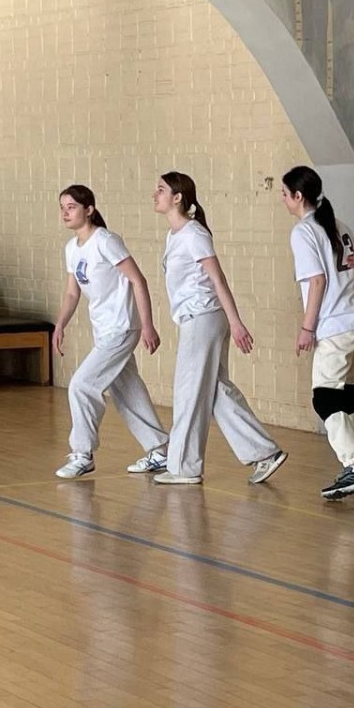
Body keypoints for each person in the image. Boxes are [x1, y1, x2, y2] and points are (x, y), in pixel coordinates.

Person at [153, 171, 288, 485]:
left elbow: (218, 279)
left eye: (161, 189)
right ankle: (264, 452)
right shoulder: (174, 235)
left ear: (177, 197)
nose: (155, 194)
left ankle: (184, 467)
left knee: (188, 391)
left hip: (204, 317)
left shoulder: (194, 234)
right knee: (214, 391)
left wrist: (235, 322)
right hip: (196, 318)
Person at [52, 184, 171, 480]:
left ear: (89, 210)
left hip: (122, 326)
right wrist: (60, 324)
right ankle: (160, 451)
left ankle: (83, 453)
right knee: (127, 390)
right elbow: (72, 293)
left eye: (71, 207)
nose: (65, 212)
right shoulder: (72, 249)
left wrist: (147, 325)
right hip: (104, 330)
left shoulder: (105, 241)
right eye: (62, 207)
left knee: (81, 385)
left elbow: (138, 280)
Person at [281, 166, 354, 500]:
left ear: (298, 196)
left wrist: (307, 328)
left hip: (337, 324)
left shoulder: (304, 231)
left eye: (284, 194)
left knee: (324, 398)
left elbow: (317, 281)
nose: (283, 200)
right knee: (349, 396)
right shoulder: (339, 224)